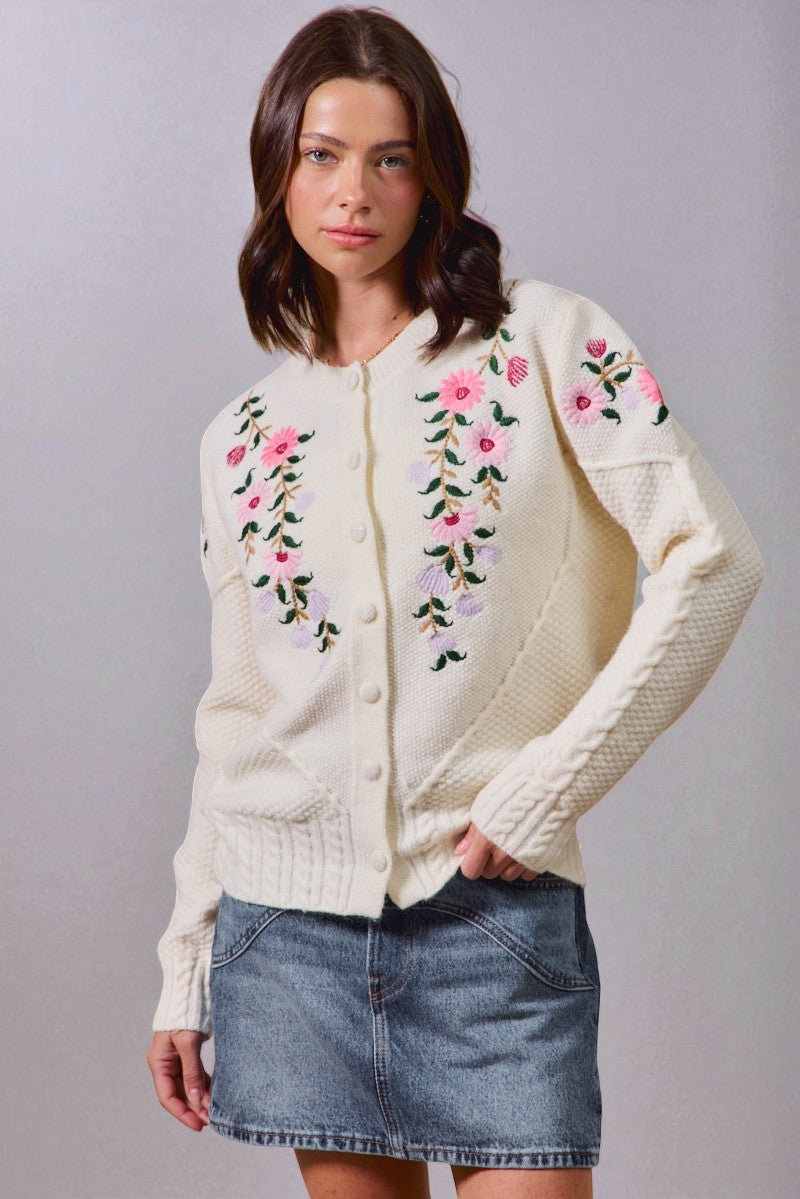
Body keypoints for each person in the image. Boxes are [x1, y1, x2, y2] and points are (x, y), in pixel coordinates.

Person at [145, 7, 765, 1198]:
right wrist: (185, 964)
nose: (353, 191)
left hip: (488, 918)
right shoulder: (242, 436)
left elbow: (713, 560)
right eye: (321, 154)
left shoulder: (547, 342)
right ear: (276, 166)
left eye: (391, 156)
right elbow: (234, 714)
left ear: (433, 175)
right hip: (289, 934)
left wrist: (544, 786)